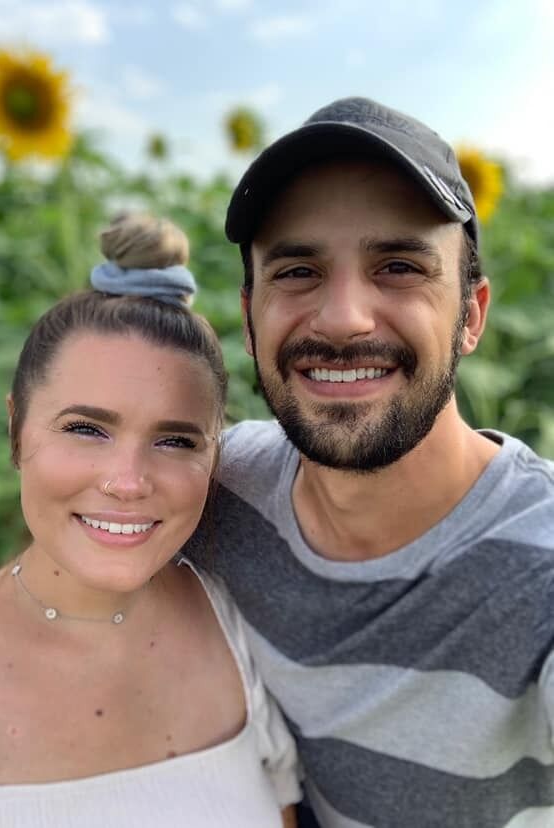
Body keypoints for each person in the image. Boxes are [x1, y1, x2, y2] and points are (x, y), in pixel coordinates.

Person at [183, 98, 554, 827]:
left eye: (398, 266)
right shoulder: (212, 491)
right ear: (250, 319)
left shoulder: (536, 566)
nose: (345, 317)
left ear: (471, 316)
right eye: (297, 270)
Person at [0, 213, 301, 827]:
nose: (127, 482)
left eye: (177, 441)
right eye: (86, 429)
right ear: (15, 429)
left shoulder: (245, 625)